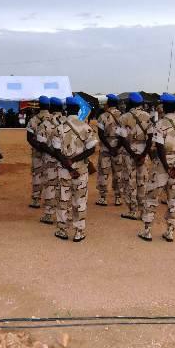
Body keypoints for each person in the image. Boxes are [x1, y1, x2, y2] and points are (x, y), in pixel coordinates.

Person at [143, 94, 175, 242]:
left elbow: (159, 147)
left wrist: (166, 167)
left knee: (152, 197)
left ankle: (147, 231)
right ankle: (170, 231)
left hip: (161, 165)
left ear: (164, 107)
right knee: (174, 198)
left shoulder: (160, 124)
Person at [49, 96, 96, 241]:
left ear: (66, 110)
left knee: (63, 199)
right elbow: (91, 149)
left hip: (64, 170)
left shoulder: (59, 128)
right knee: (80, 200)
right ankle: (79, 232)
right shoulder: (86, 127)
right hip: (81, 170)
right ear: (78, 110)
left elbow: (56, 151)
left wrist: (69, 165)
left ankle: (62, 230)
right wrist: (75, 161)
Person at [117, 92, 154, 221]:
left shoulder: (124, 117)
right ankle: (143, 211)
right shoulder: (148, 116)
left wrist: (133, 154)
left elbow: (122, 139)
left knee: (130, 181)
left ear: (130, 103)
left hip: (129, 153)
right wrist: (143, 155)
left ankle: (133, 211)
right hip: (143, 151)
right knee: (142, 181)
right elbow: (150, 138)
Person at [95, 94, 124, 207]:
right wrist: (116, 148)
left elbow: (100, 134)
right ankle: (118, 198)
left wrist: (109, 147)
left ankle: (103, 198)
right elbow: (123, 135)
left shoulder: (102, 116)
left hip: (105, 148)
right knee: (118, 173)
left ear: (108, 103)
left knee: (104, 172)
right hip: (118, 148)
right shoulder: (123, 116)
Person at [25, 97, 51, 209]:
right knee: (51, 175)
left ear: (39, 106)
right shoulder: (54, 119)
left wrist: (39, 147)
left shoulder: (33, 120)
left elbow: (29, 138)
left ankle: (36, 200)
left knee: (37, 175)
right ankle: (49, 199)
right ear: (49, 106)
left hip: (37, 152)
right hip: (52, 153)